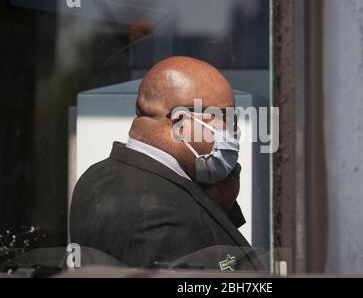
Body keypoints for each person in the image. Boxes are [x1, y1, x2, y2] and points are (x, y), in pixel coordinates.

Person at [70, 56, 264, 271]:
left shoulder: (97, 176)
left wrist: (215, 204)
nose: (233, 129)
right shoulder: (161, 213)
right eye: (225, 116)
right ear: (181, 121)